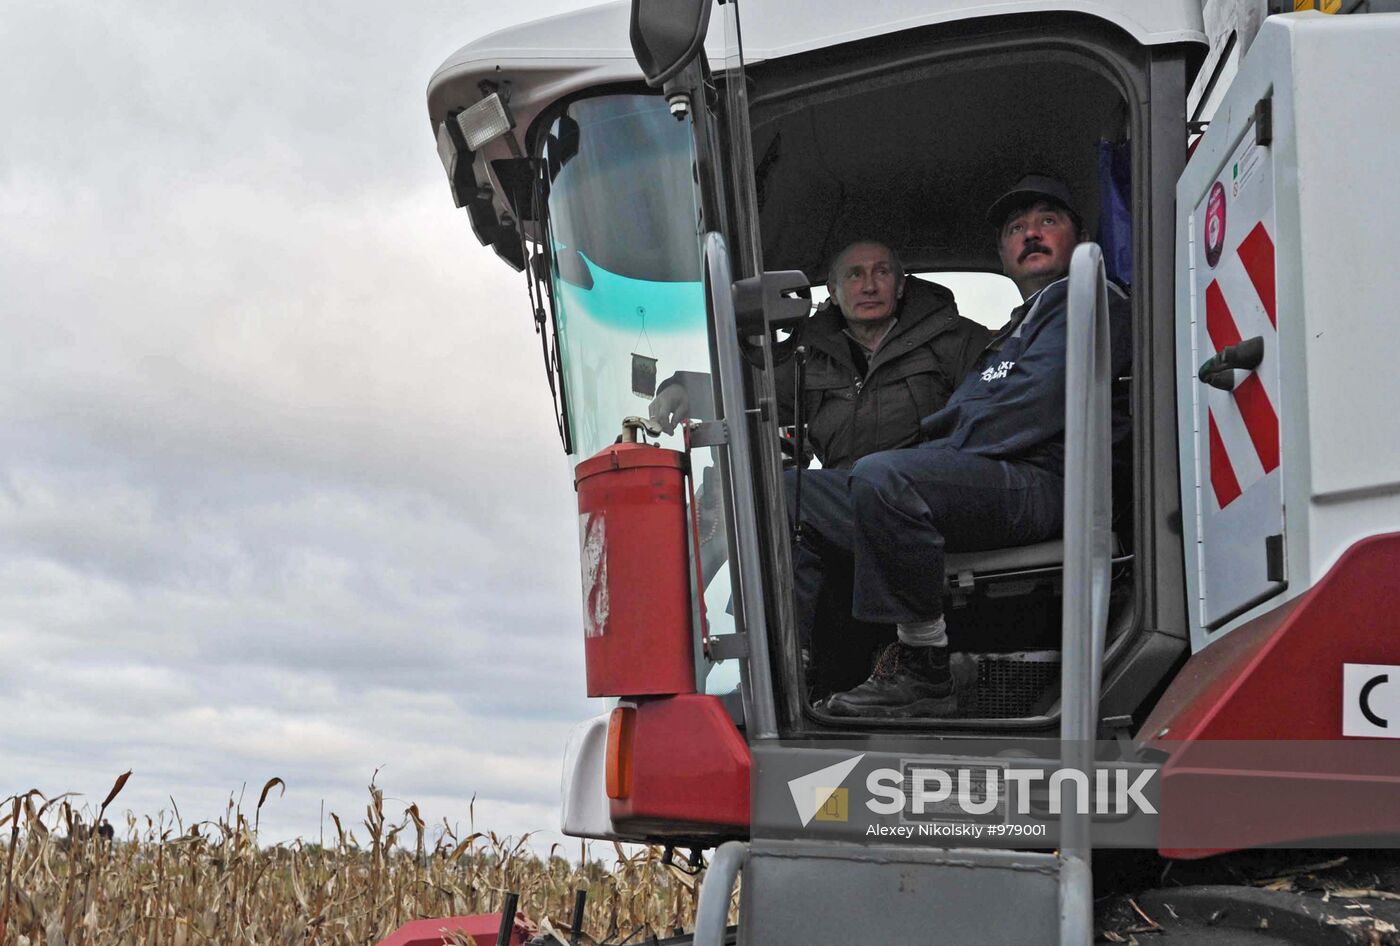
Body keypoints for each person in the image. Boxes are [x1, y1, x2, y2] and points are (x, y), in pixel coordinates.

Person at [793, 175, 1132, 718]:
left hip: (1043, 483)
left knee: (886, 476)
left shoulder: (1087, 300)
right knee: (790, 494)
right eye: (1017, 229)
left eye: (1048, 221)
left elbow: (1034, 405)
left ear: (1080, 236)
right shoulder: (1015, 330)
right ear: (1002, 254)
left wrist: (936, 450)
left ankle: (923, 665)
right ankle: (799, 666)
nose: (1032, 235)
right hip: (988, 480)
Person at [648, 241, 991, 469]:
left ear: (901, 286)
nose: (869, 286)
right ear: (833, 292)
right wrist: (683, 390)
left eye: (881, 273)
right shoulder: (808, 353)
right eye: (854, 275)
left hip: (926, 489)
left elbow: (992, 417)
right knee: (779, 513)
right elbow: (750, 390)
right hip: (843, 494)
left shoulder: (956, 339)